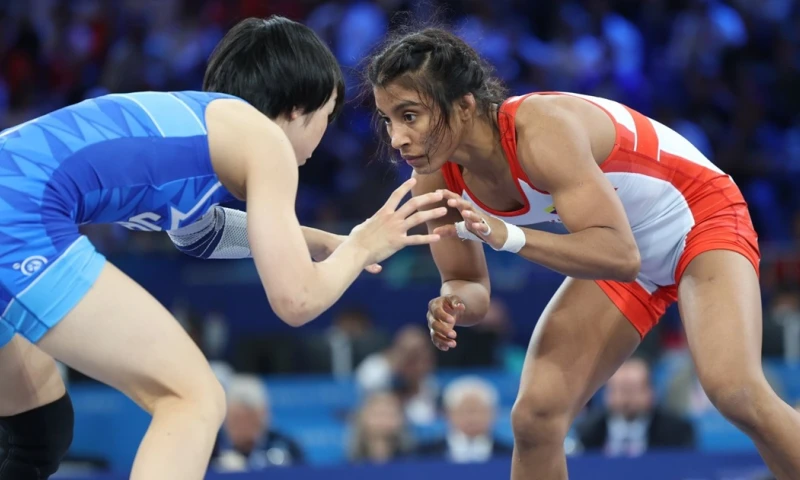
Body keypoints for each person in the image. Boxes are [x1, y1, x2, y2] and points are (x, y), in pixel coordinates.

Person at [0, 16, 446, 480]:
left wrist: (317, 241)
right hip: (18, 214)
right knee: (193, 398)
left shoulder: (201, 130)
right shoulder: (264, 138)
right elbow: (296, 300)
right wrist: (361, 245)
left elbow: (200, 233)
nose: (322, 135)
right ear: (298, 107)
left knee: (38, 429)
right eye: (327, 115)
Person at [366, 27, 800, 479]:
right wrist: (452, 303)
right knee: (535, 417)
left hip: (698, 217)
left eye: (410, 115)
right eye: (387, 119)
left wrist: (509, 237)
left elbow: (620, 256)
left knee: (735, 391)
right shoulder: (434, 178)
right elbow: (470, 284)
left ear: (464, 105)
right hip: (617, 244)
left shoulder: (541, 129)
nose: (397, 138)